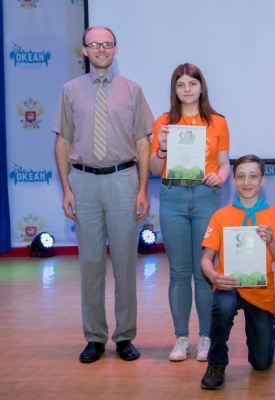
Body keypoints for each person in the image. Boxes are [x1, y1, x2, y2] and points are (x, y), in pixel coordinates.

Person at [53, 26, 154, 363]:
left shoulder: (132, 90)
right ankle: (94, 338)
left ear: (115, 49)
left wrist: (142, 188)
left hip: (123, 180)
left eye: (107, 44)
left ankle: (125, 336)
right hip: (83, 182)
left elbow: (143, 142)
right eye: (94, 44)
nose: (101, 49)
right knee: (91, 264)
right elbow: (63, 141)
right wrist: (67, 189)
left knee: (125, 263)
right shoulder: (70, 90)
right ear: (84, 50)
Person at [149, 63, 230, 362]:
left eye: (192, 83)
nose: (187, 89)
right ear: (175, 89)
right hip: (172, 197)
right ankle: (181, 339)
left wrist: (220, 177)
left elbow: (225, 164)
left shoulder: (217, 122)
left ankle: (206, 337)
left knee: (204, 271)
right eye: (181, 84)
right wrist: (162, 148)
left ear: (201, 87)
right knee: (179, 273)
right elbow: (155, 168)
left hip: (206, 197)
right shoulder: (164, 122)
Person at [199, 155, 275, 390]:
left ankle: (269, 330)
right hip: (229, 285)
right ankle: (216, 363)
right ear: (234, 180)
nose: (246, 182)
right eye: (240, 176)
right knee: (223, 306)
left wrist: (271, 242)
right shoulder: (221, 216)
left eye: (253, 176)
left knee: (261, 364)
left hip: (261, 291)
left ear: (263, 180)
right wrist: (213, 276)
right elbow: (206, 260)